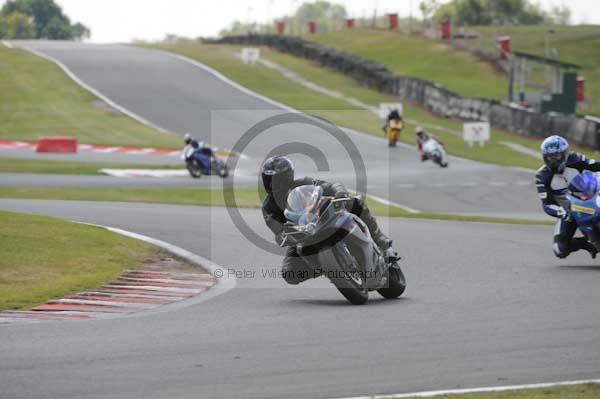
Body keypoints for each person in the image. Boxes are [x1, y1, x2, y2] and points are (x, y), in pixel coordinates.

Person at [261, 155, 397, 285]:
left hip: (323, 216)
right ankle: (328, 268)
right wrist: (284, 236)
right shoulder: (268, 207)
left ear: (287, 177)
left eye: (275, 179)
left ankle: (381, 240)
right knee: (289, 273)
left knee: (354, 202)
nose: (272, 184)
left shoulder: (304, 183)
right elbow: (278, 232)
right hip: (301, 236)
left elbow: (329, 186)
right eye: (268, 180)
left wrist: (339, 192)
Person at [536, 135, 600, 259]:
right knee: (559, 250)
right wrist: (563, 213)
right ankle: (586, 243)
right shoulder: (541, 176)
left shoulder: (575, 159)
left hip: (588, 201)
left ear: (565, 154)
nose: (553, 160)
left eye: (557, 156)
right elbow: (546, 204)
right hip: (568, 212)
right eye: (549, 157)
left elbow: (596, 166)